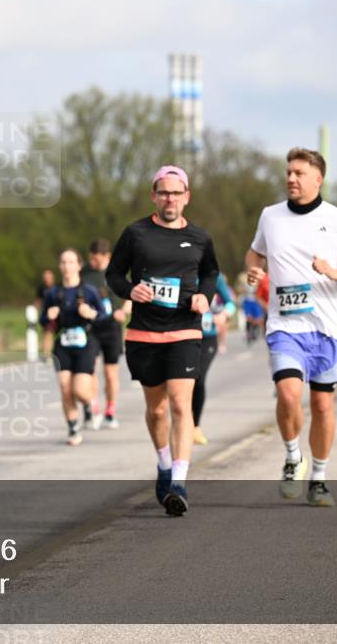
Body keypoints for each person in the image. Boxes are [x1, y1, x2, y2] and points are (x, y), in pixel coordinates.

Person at [245, 148, 337, 508]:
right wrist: (254, 268)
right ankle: (292, 457)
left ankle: (318, 477)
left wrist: (335, 272)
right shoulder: (270, 216)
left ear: (318, 179)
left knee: (321, 405)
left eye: (299, 173)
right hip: (284, 325)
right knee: (288, 395)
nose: (291, 178)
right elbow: (255, 252)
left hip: (326, 329)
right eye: (288, 172)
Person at [105, 165, 219, 517]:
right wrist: (130, 290)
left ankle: (179, 482)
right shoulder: (136, 233)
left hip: (185, 329)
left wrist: (204, 297)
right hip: (144, 332)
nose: (170, 199)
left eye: (176, 193)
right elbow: (113, 273)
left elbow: (211, 272)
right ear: (154, 196)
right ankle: (165, 464)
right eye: (164, 192)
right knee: (156, 409)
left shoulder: (200, 238)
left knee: (181, 405)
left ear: (187, 197)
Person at [41, 248, 106, 446]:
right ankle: (73, 427)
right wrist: (48, 316)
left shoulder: (89, 291)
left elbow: (103, 315)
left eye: (71, 262)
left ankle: (89, 405)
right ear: (60, 266)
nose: (67, 266)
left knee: (80, 390)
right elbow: (43, 320)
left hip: (85, 341)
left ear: (78, 265)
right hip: (63, 342)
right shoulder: (53, 293)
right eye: (63, 262)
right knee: (65, 387)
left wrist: (91, 313)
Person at [80, 238, 130, 430]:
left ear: (107, 256)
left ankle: (110, 410)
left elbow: (131, 296)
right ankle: (94, 409)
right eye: (91, 259)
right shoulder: (84, 273)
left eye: (97, 259)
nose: (93, 262)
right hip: (92, 327)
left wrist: (124, 311)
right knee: (91, 370)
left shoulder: (117, 271)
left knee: (110, 373)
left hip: (112, 328)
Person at [192, 272, 236, 445]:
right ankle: (182, 422)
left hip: (207, 336)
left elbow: (230, 303)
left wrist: (224, 315)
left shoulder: (214, 276)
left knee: (199, 378)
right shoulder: (179, 268)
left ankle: (195, 427)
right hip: (183, 335)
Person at [36, 268, 56, 359]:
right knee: (47, 333)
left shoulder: (57, 287)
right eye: (45, 277)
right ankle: (46, 354)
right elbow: (38, 301)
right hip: (47, 314)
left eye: (48, 277)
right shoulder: (41, 288)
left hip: (57, 313)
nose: (46, 279)